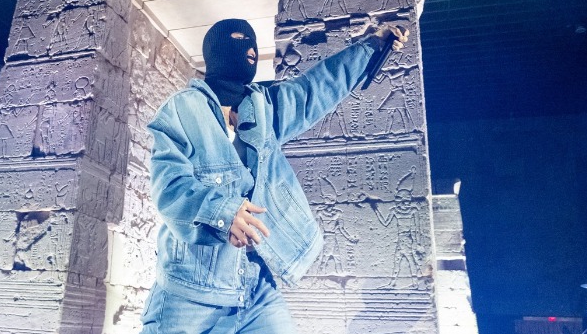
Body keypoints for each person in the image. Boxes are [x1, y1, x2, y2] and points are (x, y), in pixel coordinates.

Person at [140, 18, 407, 333]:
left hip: (254, 285)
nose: (250, 50)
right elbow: (169, 186)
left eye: (253, 43)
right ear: (216, 49)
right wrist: (222, 212)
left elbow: (316, 88)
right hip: (190, 290)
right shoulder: (181, 109)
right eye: (239, 39)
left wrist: (372, 47)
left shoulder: (262, 108)